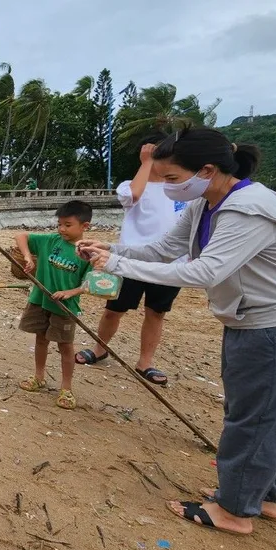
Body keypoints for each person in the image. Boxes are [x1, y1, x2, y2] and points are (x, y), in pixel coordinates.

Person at [78, 127, 276, 535]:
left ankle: (235, 510)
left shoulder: (247, 210)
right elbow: (160, 249)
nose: (169, 188)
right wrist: (112, 250)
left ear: (206, 170)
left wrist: (117, 267)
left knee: (252, 419)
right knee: (264, 416)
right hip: (252, 323)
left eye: (173, 179)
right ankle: (263, 496)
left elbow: (206, 271)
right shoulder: (204, 203)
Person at [75, 133, 187, 385]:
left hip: (169, 263)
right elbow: (132, 197)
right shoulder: (132, 184)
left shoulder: (182, 189)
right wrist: (147, 162)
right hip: (128, 260)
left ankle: (145, 362)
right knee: (114, 309)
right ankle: (99, 348)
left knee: (156, 312)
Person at [13, 200, 93, 410]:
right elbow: (21, 236)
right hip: (40, 300)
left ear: (85, 226)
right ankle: (39, 377)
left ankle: (66, 388)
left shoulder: (87, 253)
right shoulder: (50, 241)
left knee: (65, 346)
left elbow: (90, 283)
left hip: (65, 308)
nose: (62, 229)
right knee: (41, 339)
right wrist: (29, 256)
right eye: (59, 224)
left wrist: (70, 292)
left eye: (68, 225)